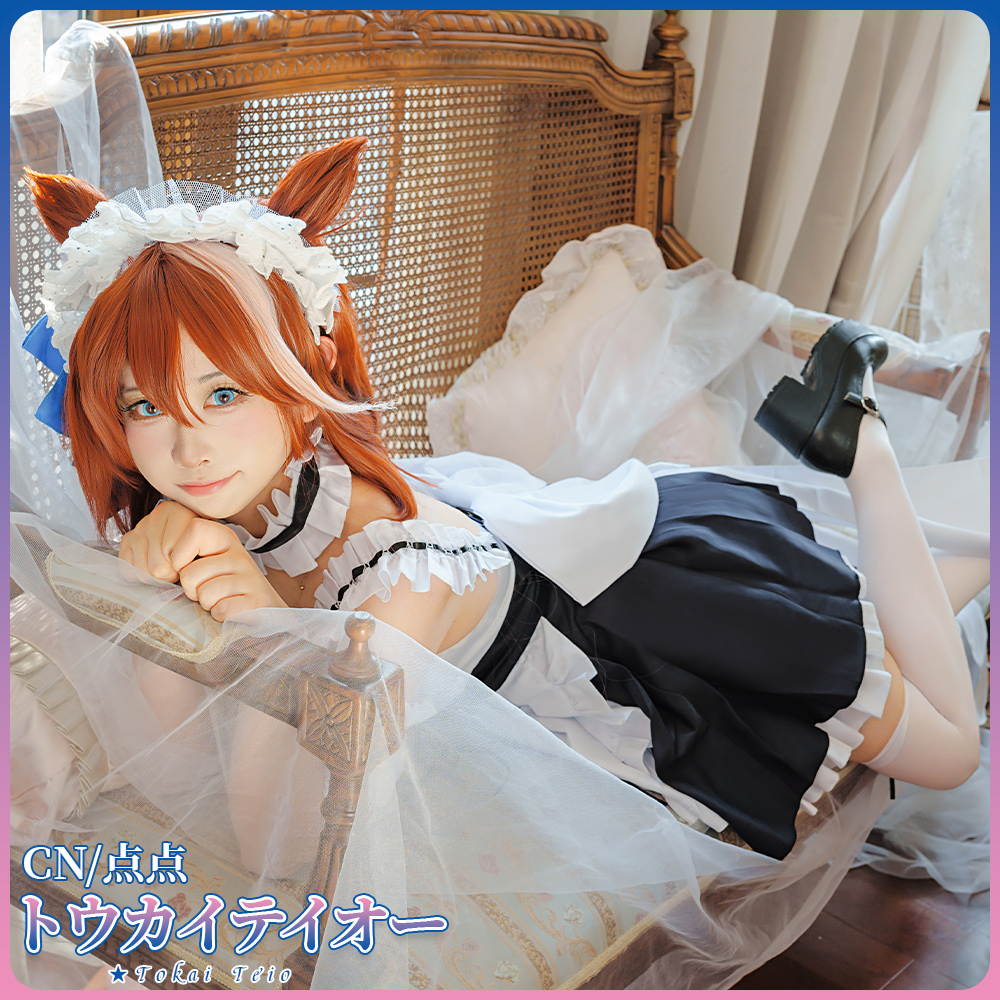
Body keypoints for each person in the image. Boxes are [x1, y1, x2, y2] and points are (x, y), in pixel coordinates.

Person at [21, 140, 985, 862]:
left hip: (656, 622)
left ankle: (864, 449)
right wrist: (179, 586)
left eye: (226, 392)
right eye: (143, 406)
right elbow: (170, 768)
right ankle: (940, 560)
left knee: (950, 753)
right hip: (572, 560)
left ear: (305, 384)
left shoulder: (399, 585)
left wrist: (258, 630)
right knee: (871, 627)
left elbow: (272, 842)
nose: (186, 446)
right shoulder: (236, 506)